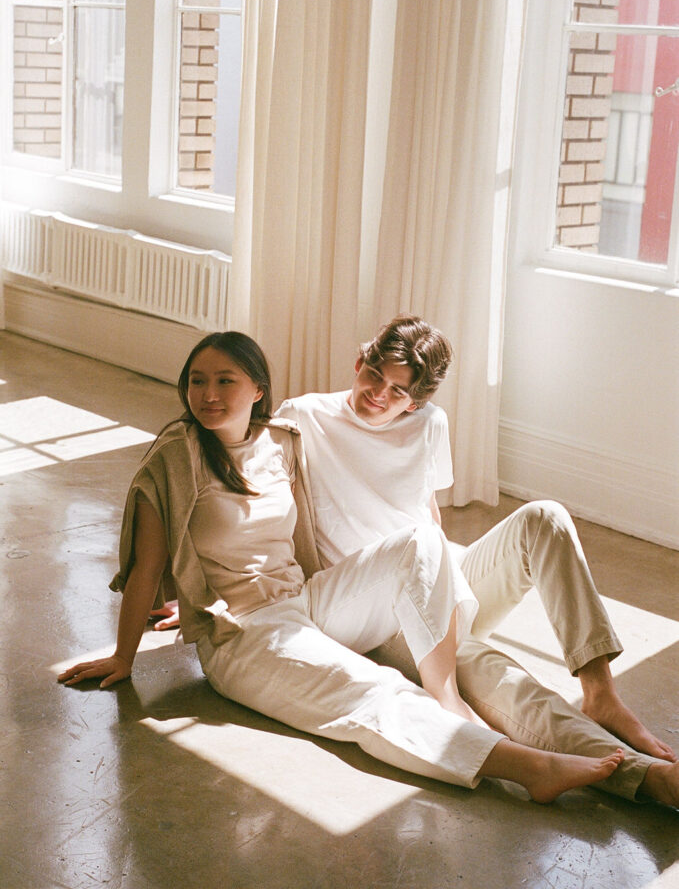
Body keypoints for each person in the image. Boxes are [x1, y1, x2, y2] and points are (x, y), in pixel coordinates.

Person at [56, 331, 679, 806]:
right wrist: (129, 647)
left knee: (500, 660)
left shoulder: (288, 441)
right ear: (359, 362)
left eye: (225, 381)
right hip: (252, 628)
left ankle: (636, 757)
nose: (209, 394)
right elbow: (151, 563)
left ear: (257, 390)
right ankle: (550, 768)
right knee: (383, 690)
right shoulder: (231, 440)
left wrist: (438, 596)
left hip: (341, 596)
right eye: (197, 380)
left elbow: (428, 524)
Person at [276, 315, 677, 767]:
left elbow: (426, 511)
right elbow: (261, 510)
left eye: (398, 391)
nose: (378, 394)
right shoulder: (301, 416)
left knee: (545, 517)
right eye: (374, 374)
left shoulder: (430, 424)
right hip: (375, 609)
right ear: (359, 360)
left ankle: (600, 692)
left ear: (415, 404)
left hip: (431, 576)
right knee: (508, 686)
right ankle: (642, 776)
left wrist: (445, 597)